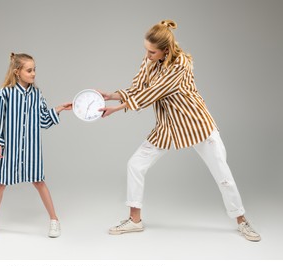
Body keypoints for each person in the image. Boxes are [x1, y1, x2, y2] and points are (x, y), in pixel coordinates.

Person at [98, 20, 260, 241]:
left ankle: (242, 221)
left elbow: (153, 92)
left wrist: (116, 109)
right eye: (145, 50)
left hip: (196, 125)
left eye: (151, 51)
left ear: (166, 50)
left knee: (223, 175)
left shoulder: (181, 64)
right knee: (135, 165)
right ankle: (134, 220)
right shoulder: (150, 61)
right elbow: (137, 88)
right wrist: (111, 95)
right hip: (168, 126)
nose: (147, 55)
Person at [0, 53, 72, 238]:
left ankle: (54, 220)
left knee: (39, 181)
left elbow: (44, 120)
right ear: (17, 72)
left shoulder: (37, 94)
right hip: (10, 148)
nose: (33, 74)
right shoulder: (4, 94)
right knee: (0, 184)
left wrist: (60, 108)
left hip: (31, 149)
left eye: (34, 70)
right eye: (29, 70)